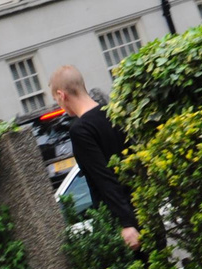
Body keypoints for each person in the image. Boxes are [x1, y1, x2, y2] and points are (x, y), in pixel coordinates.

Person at [49, 65, 141, 250]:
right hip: (144, 207)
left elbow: (103, 177)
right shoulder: (111, 112)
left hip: (124, 224)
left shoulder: (80, 130)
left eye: (56, 99)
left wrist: (126, 222)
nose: (59, 105)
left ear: (62, 95)